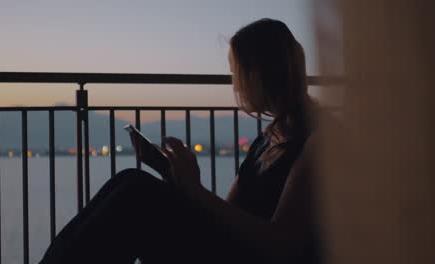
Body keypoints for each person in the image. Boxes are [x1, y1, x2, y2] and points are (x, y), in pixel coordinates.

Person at [40, 18, 322, 264]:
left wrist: (195, 190)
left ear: (259, 75)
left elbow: (280, 246)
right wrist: (177, 178)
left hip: (246, 258)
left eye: (237, 73)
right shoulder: (269, 137)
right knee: (130, 180)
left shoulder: (318, 140)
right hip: (231, 250)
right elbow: (228, 213)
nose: (235, 84)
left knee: (136, 195)